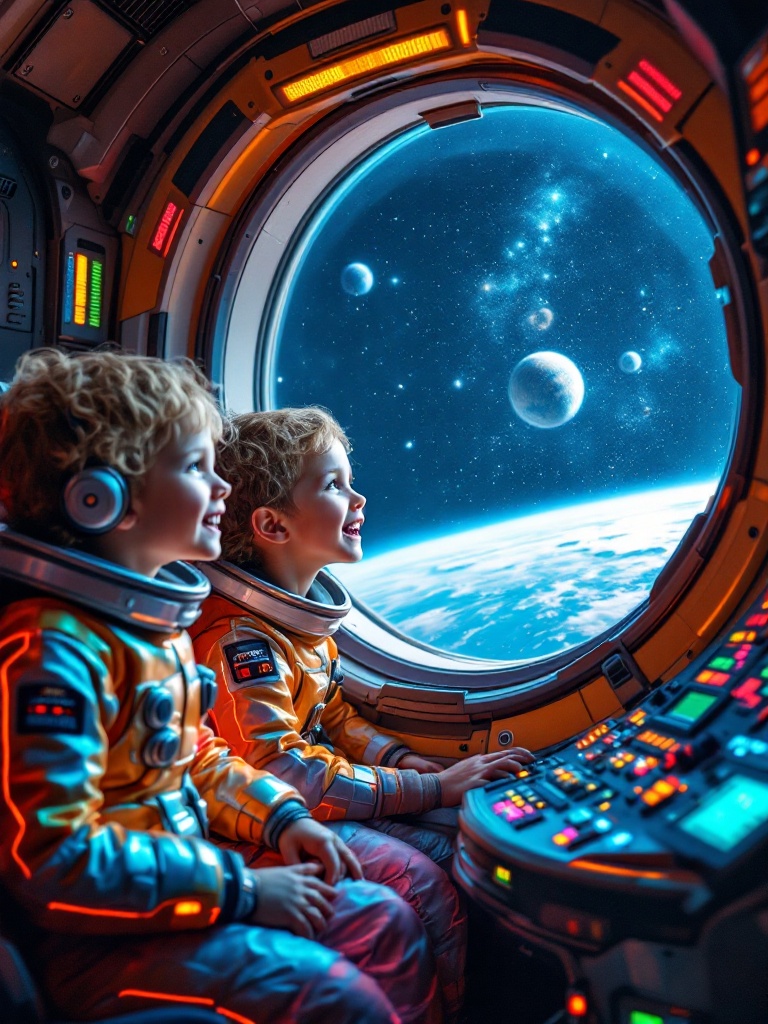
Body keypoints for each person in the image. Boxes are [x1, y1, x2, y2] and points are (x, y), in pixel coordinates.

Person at [0, 352, 438, 1024]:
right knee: (335, 999)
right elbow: (54, 859)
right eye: (196, 468)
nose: (223, 488)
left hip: (183, 893)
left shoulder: (149, 630)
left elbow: (199, 759)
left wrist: (282, 817)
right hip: (94, 946)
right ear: (102, 498)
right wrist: (240, 888)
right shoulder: (53, 652)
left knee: (386, 921)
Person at [190, 406, 535, 1024]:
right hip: (248, 829)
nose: (359, 497)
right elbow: (282, 770)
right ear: (272, 524)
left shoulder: (298, 623)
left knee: (463, 840)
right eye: (334, 485)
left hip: (293, 808)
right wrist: (426, 786)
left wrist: (399, 759)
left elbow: (335, 715)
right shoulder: (240, 642)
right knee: (420, 882)